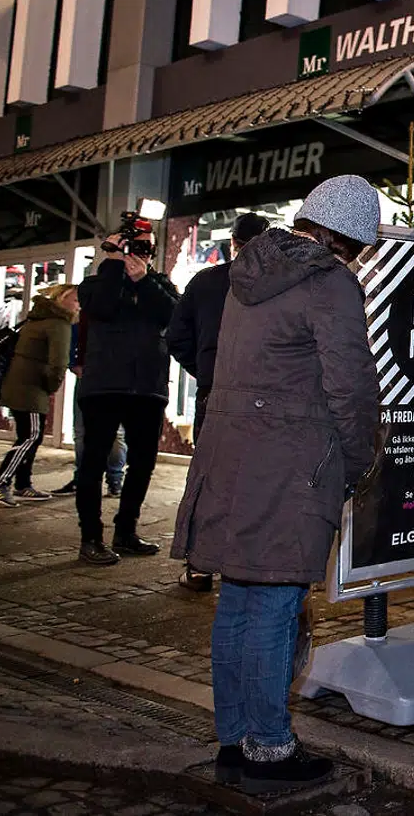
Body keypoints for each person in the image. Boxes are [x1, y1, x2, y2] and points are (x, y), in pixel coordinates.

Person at [172, 176, 379, 795]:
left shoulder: (247, 273)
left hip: (231, 456)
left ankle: (235, 741)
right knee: (274, 602)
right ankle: (269, 746)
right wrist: (358, 460)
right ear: (351, 239)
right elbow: (351, 385)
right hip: (290, 461)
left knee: (237, 597)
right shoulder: (329, 282)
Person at [166, 212, 271, 593]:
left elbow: (176, 338)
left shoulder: (206, 282)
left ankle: (199, 566)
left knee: (210, 478)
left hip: (217, 393)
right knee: (259, 479)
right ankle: (247, 564)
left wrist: (206, 369)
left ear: (233, 244)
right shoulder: (277, 285)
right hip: (264, 397)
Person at [74, 233, 180, 566]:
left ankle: (126, 531)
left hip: (147, 388)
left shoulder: (159, 284)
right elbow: (101, 309)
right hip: (104, 386)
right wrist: (114, 264)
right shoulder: (95, 284)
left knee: (143, 462)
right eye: (131, 248)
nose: (138, 253)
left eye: (145, 248)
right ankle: (90, 538)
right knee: (93, 463)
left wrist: (144, 281)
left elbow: (174, 318)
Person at [0, 284, 78, 506]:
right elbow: (58, 364)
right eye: (75, 300)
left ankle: (23, 484)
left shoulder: (36, 320)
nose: (78, 305)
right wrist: (51, 386)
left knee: (28, 435)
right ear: (61, 300)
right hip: (31, 390)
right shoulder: (58, 325)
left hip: (17, 385)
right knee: (30, 436)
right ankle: (1, 483)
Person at [52, 313, 127, 498]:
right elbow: (75, 336)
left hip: (116, 379)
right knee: (83, 431)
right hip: (91, 377)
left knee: (113, 433)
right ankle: (85, 479)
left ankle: (113, 479)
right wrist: (74, 363)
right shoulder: (88, 313)